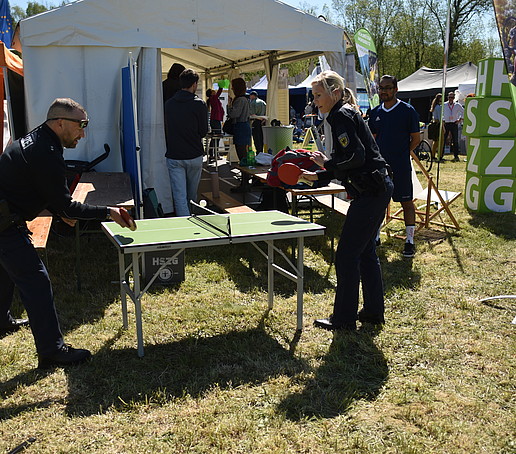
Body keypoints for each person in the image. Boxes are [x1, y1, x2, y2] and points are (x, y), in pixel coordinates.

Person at [0, 98, 135, 368]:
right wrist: (108, 212)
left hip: (6, 216)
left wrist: (61, 210)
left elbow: (39, 187)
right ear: (60, 122)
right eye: (81, 125)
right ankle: (52, 350)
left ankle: (2, 322)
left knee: (5, 272)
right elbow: (67, 205)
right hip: (4, 223)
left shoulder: (38, 139)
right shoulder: (46, 151)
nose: (83, 133)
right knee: (36, 281)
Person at [298, 70, 393, 331]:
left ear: (335, 93)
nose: (315, 101)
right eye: (314, 96)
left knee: (346, 256)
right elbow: (345, 162)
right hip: (375, 189)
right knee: (365, 253)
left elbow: (356, 158)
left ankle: (343, 319)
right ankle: (373, 312)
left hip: (372, 191)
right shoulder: (341, 115)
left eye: (318, 95)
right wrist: (316, 176)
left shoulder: (341, 116)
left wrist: (326, 164)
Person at [368, 75, 420, 258]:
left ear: (396, 89)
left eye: (388, 87)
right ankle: (375, 236)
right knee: (379, 203)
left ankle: (409, 241)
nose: (384, 91)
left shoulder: (408, 111)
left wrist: (401, 153)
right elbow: (372, 140)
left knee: (406, 202)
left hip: (401, 166)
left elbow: (416, 139)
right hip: (380, 168)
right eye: (381, 88)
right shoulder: (374, 113)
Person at [165, 69, 208, 216]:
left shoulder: (169, 104)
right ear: (194, 84)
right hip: (194, 154)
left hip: (174, 154)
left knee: (179, 195)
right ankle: (193, 218)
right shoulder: (199, 104)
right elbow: (203, 131)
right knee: (191, 194)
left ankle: (184, 225)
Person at [227, 77, 252, 192]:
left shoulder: (240, 100)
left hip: (240, 127)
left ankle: (245, 184)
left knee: (242, 157)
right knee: (244, 156)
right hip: (245, 126)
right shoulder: (245, 99)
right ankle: (245, 182)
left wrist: (229, 106)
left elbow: (234, 114)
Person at [443, 91, 464, 162]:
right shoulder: (444, 105)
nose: (451, 99)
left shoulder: (457, 105)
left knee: (455, 140)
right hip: (446, 124)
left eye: (452, 97)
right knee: (444, 139)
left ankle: (456, 155)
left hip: (454, 123)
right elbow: (442, 113)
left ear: (454, 98)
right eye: (449, 97)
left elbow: (464, 111)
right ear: (447, 97)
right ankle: (441, 155)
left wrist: (460, 119)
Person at [206, 86, 224, 162]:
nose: (215, 91)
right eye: (213, 91)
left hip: (215, 120)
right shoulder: (213, 98)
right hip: (216, 120)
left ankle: (212, 154)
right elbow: (219, 92)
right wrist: (221, 86)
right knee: (217, 137)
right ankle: (215, 154)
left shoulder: (213, 99)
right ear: (211, 93)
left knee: (214, 137)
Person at [428, 93, 444, 161]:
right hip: (438, 125)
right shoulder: (439, 107)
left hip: (435, 123)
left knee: (435, 141)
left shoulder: (434, 106)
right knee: (441, 141)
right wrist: (443, 127)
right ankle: (439, 156)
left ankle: (433, 155)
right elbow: (440, 118)